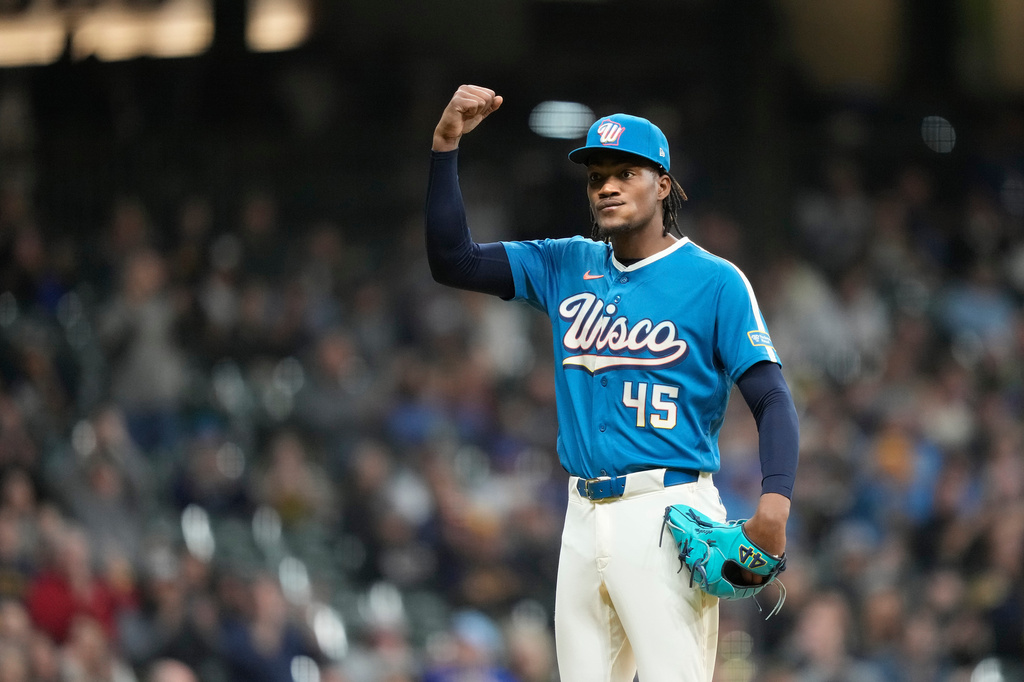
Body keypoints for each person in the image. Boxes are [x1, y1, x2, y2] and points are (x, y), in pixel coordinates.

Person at [424, 85, 800, 682]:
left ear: (665, 185)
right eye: (597, 175)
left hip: (667, 513)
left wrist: (774, 505)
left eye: (626, 172)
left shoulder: (715, 281)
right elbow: (454, 260)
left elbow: (772, 397)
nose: (607, 186)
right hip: (581, 514)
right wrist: (446, 146)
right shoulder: (564, 263)